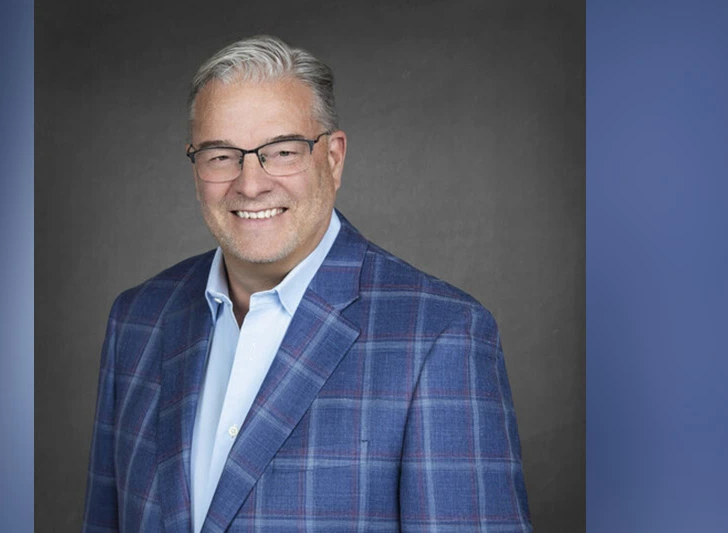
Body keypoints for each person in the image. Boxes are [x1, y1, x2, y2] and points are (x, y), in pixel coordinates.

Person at [82, 35, 531, 533]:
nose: (250, 183)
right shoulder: (138, 320)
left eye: (282, 151)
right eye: (220, 155)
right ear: (195, 167)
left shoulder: (442, 337)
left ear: (333, 158)